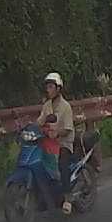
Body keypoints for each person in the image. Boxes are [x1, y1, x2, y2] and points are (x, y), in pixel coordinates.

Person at [36, 73, 76, 214]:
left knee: (62, 164)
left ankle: (68, 198)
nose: (48, 90)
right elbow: (40, 121)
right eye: (47, 87)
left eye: (51, 87)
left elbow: (68, 128)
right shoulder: (47, 106)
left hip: (64, 143)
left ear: (58, 88)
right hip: (49, 143)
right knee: (39, 162)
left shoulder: (66, 107)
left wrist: (57, 133)